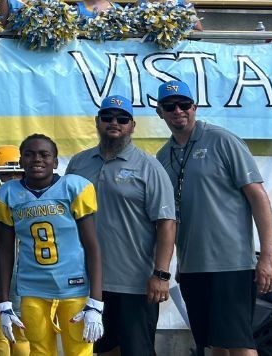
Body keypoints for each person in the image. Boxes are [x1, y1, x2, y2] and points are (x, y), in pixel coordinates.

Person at [154, 80, 272, 354]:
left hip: (231, 264)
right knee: (212, 344)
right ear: (159, 111)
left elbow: (258, 196)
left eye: (184, 104)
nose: (178, 111)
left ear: (194, 107)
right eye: (170, 106)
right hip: (191, 267)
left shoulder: (222, 140)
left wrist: (268, 255)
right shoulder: (163, 157)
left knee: (239, 344)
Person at [65, 95, 177, 355]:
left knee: (137, 351)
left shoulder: (149, 166)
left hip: (135, 283)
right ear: (98, 121)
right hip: (88, 281)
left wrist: (161, 275)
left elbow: (167, 223)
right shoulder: (79, 164)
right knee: (100, 350)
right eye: (108, 117)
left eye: (122, 118)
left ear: (132, 125)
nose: (114, 123)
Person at [0, 134, 104, 356]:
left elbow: (92, 246)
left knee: (80, 351)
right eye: (29, 154)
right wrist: (4, 301)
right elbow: (6, 251)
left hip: (74, 286)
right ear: (21, 160)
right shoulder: (7, 194)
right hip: (33, 287)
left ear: (55, 161)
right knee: (39, 351)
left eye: (45, 155)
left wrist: (96, 301)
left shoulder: (73, 187)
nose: (37, 160)